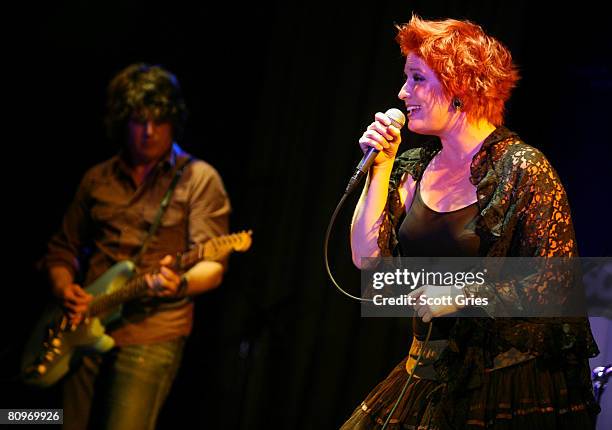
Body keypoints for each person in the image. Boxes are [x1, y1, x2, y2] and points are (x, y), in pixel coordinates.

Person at [344, 15, 599, 429]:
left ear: (458, 85)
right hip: (426, 371)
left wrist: (464, 292)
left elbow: (556, 286)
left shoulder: (522, 168)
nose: (402, 91)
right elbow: (367, 261)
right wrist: (381, 167)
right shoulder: (415, 167)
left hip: (501, 382)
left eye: (417, 78)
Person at [42, 63, 231, 430]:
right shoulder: (97, 178)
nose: (148, 132)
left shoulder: (199, 179)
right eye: (138, 120)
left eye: (158, 121)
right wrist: (66, 290)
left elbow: (213, 266)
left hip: (152, 331)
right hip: (84, 322)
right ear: (121, 121)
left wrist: (180, 283)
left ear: (173, 120)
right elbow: (62, 249)